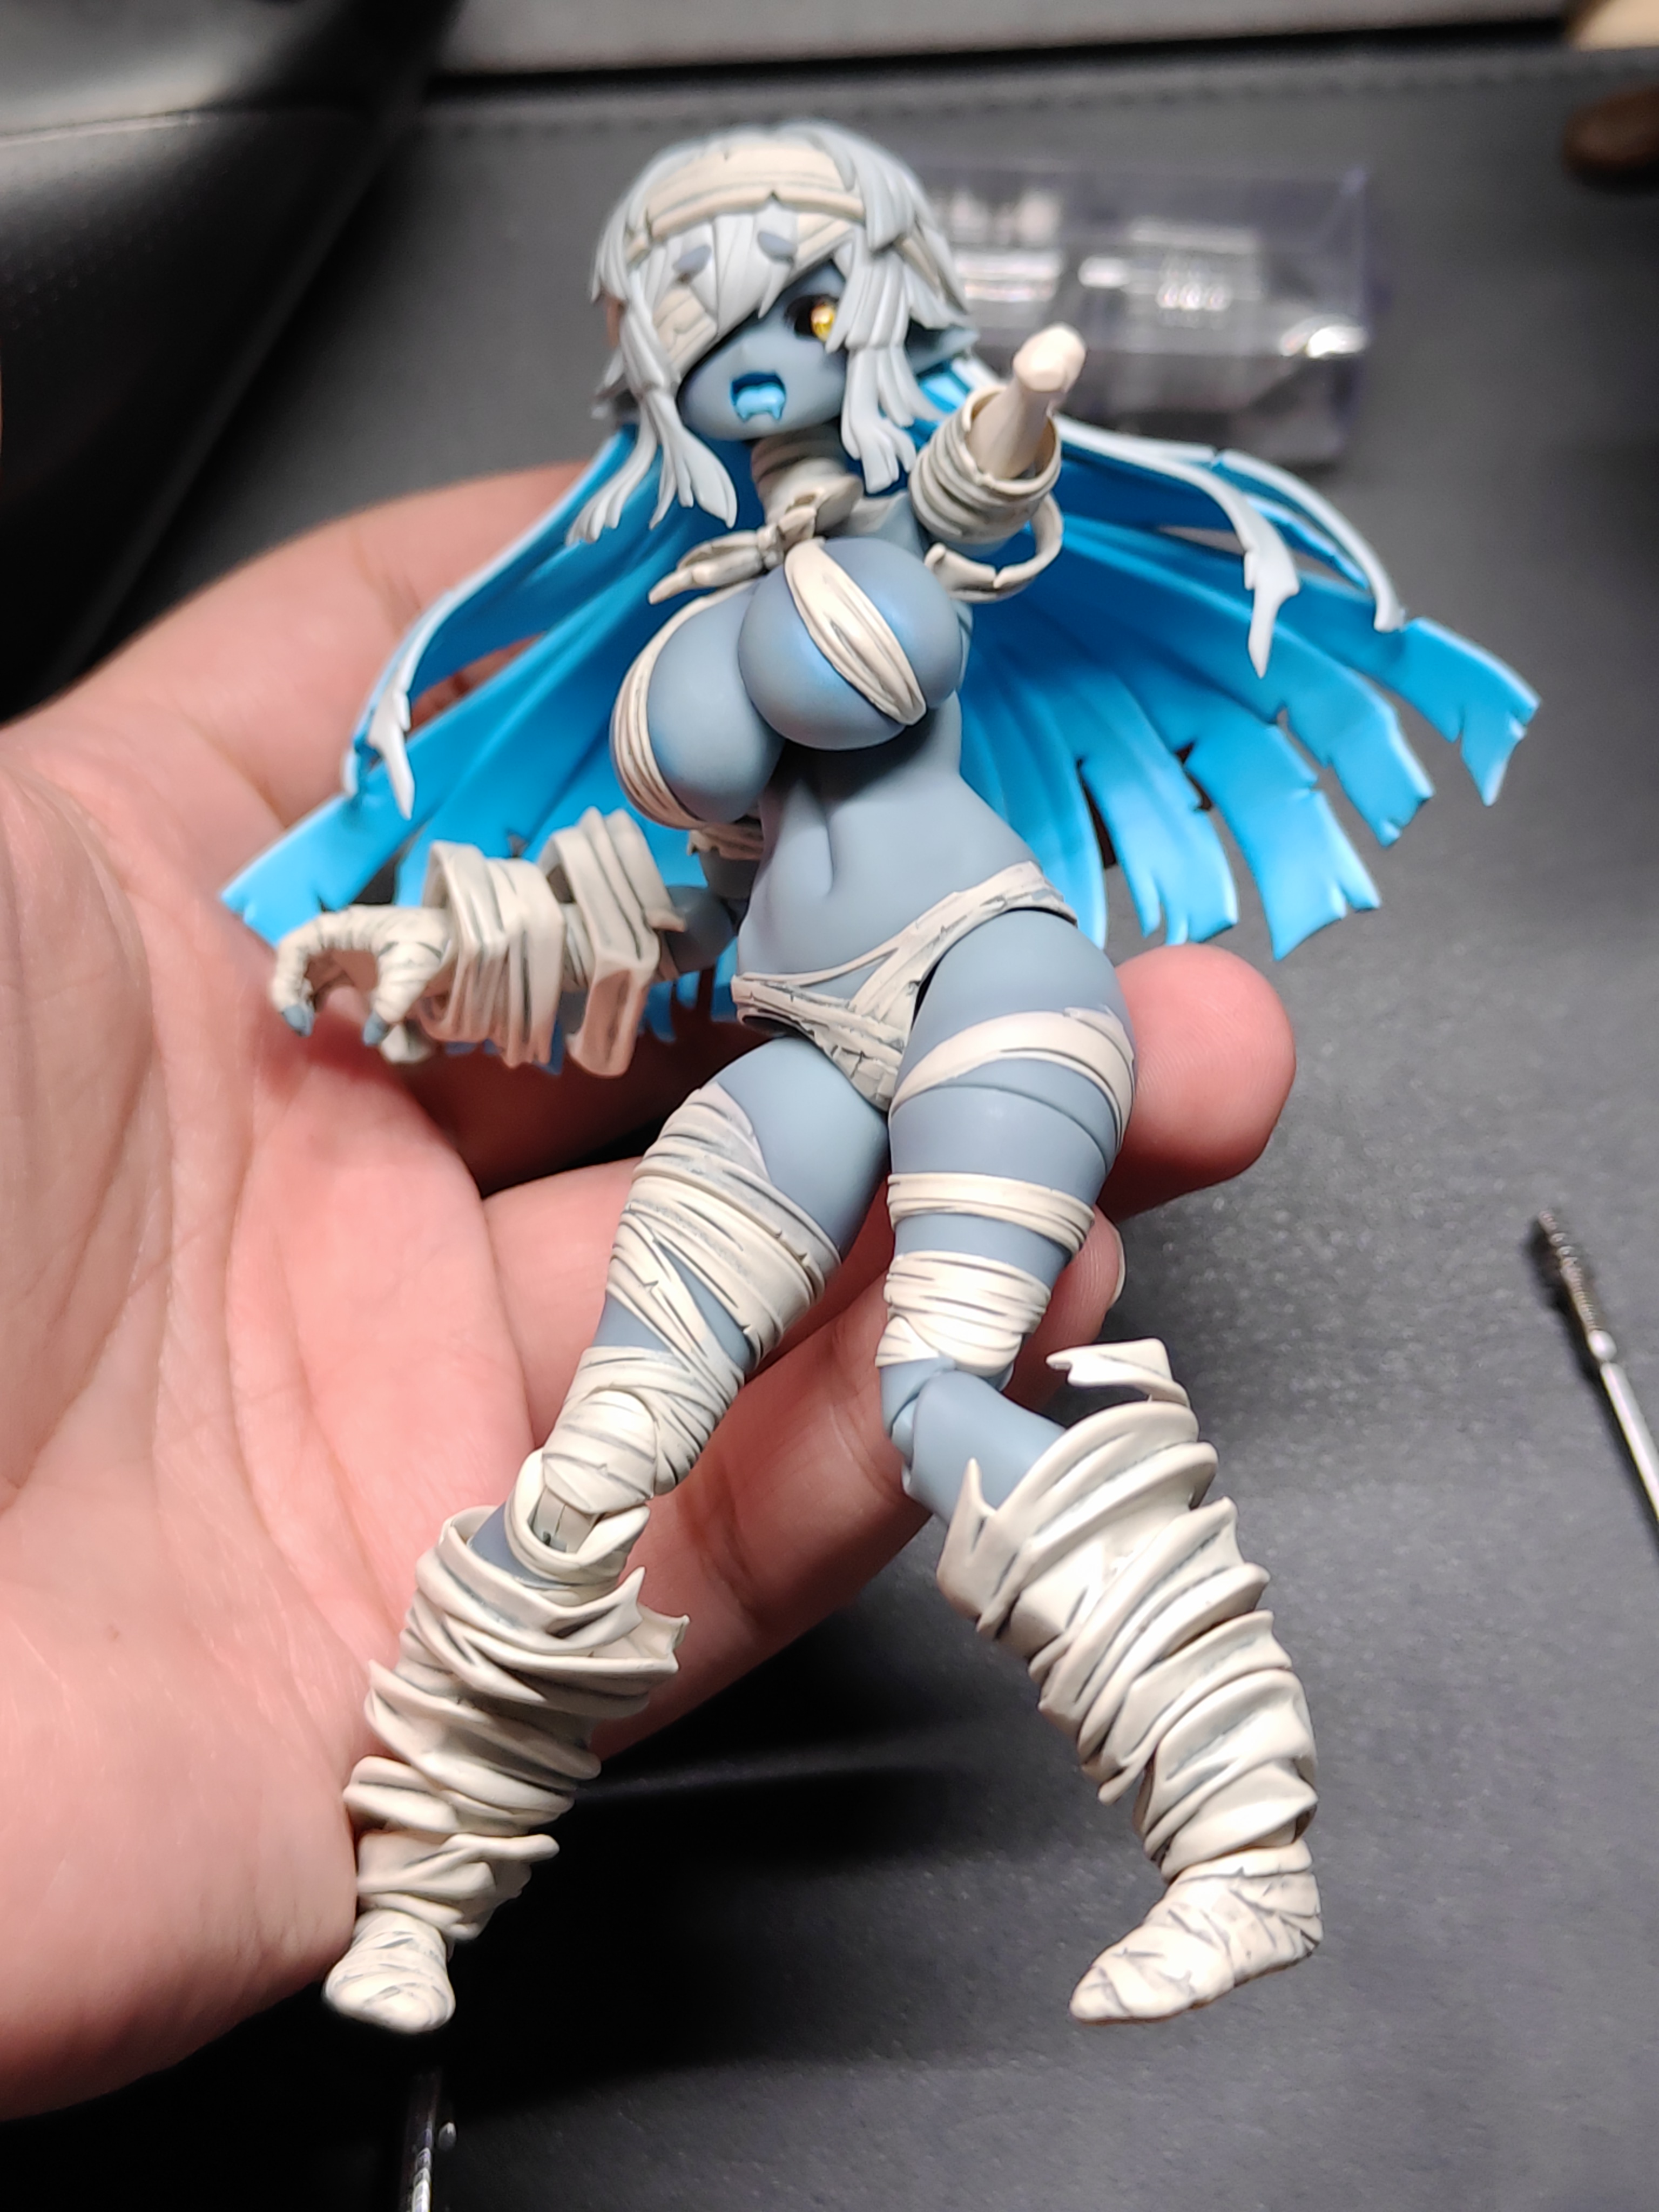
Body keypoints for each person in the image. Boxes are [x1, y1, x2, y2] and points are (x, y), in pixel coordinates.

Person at [0, 456, 1297, 2116]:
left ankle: (1237, 1842)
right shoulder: (686, 607)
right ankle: (422, 1879)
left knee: (937, 1397)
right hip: (806, 1040)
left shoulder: (901, 536)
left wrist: (956, 482)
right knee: (598, 1453)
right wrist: (434, 949)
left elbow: (937, 584)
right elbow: (661, 906)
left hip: (986, 975)